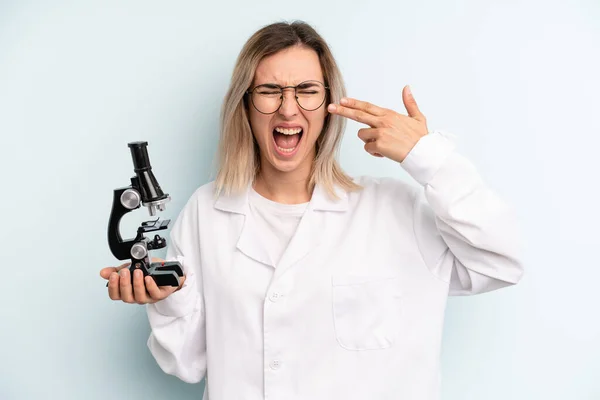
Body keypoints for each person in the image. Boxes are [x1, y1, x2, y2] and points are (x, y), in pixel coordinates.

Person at [100, 20, 523, 400]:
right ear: (245, 106)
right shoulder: (207, 212)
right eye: (269, 91)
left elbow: (501, 261)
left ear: (328, 105)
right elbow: (187, 364)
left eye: (306, 91)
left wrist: (426, 156)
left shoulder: (396, 209)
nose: (288, 108)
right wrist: (165, 301)